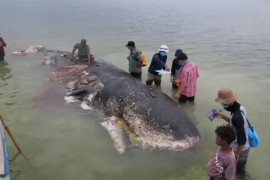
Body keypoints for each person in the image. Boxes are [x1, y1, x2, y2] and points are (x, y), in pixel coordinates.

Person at [215, 88, 250, 176]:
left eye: (222, 103)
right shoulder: (240, 108)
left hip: (240, 149)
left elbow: (242, 140)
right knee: (237, 170)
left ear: (227, 103)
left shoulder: (236, 117)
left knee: (239, 172)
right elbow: (234, 122)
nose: (222, 105)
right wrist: (222, 116)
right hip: (243, 146)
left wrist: (236, 155)